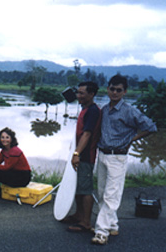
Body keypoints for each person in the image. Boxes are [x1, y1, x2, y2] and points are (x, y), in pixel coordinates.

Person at [91, 75, 157, 245]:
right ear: (108, 89)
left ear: (124, 92)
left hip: (118, 157)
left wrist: (131, 140)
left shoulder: (129, 111)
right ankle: (112, 224)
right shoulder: (104, 109)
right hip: (103, 155)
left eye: (118, 90)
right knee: (102, 192)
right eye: (112, 88)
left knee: (111, 195)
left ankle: (101, 231)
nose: (114, 92)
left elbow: (150, 127)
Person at [64, 82, 101, 233]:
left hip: (86, 156)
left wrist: (76, 154)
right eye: (77, 92)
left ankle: (86, 222)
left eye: (81, 93)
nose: (78, 96)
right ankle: (78, 215)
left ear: (91, 94)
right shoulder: (85, 109)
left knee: (85, 189)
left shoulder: (93, 111)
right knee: (77, 186)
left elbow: (87, 134)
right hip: (80, 153)